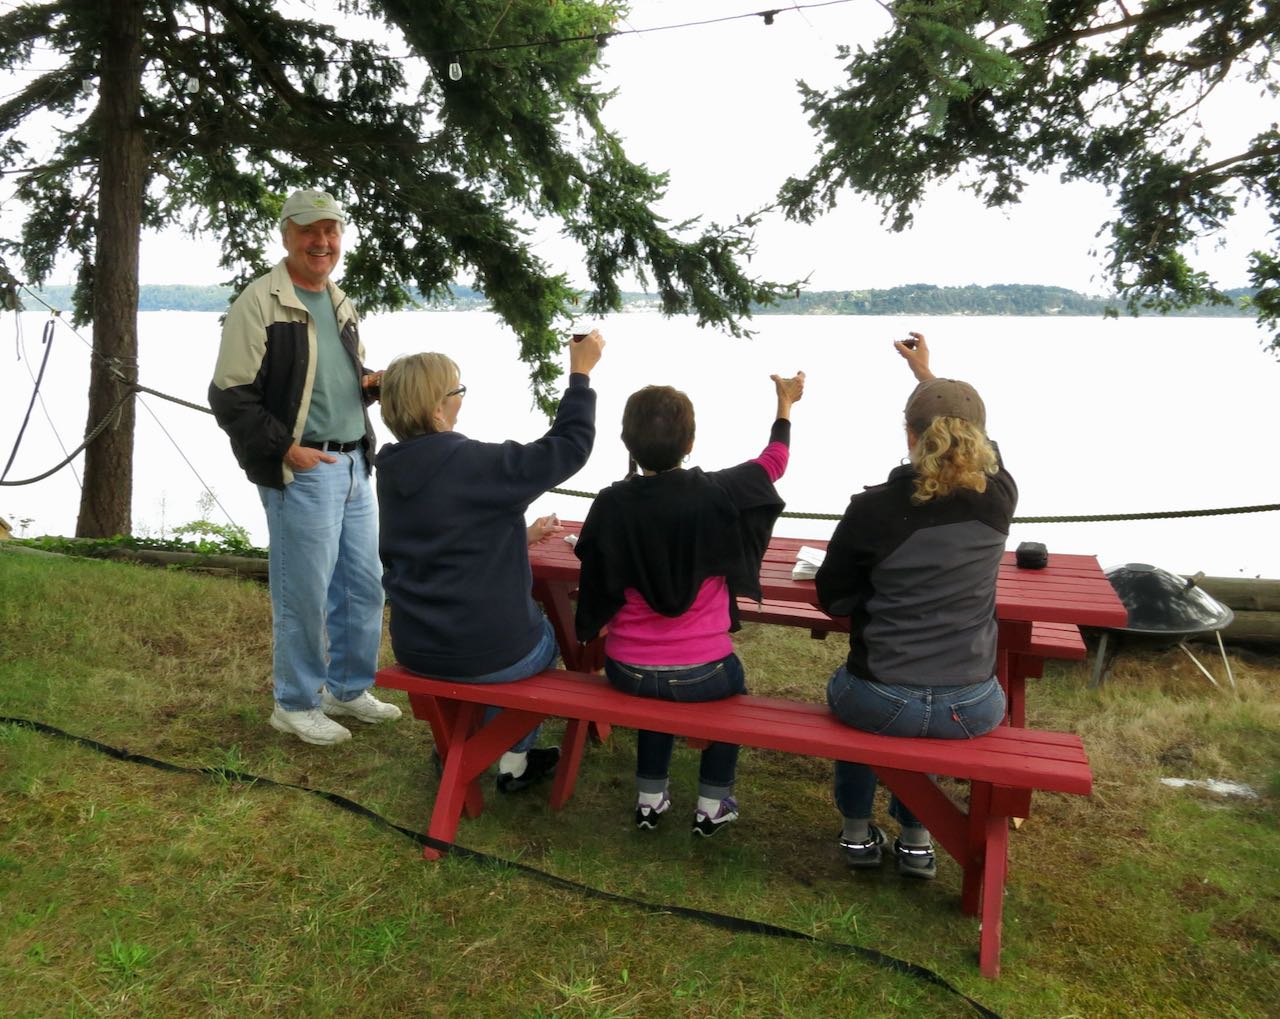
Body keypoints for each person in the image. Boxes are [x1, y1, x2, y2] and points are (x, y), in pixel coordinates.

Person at [815, 333, 1015, 878]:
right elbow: (988, 453)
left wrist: (873, 597)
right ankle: (917, 835)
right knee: (921, 716)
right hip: (969, 705)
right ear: (978, 439)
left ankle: (857, 833)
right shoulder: (1000, 501)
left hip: (879, 698)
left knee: (856, 705)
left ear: (908, 435)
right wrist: (930, 378)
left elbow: (832, 598)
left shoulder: (872, 509)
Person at [574, 371, 805, 836]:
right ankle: (712, 804)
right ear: (691, 441)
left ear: (627, 443)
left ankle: (650, 799)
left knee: (655, 690)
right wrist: (785, 408)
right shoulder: (719, 492)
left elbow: (595, 572)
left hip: (625, 668)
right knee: (731, 695)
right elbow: (773, 462)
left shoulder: (611, 503)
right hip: (706, 673)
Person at [209, 188, 400, 747]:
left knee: (364, 587)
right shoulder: (259, 302)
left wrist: (367, 382)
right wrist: (285, 450)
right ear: (287, 235)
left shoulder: (339, 300)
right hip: (305, 467)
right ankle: (294, 703)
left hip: (354, 463)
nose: (322, 242)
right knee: (305, 594)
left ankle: (347, 688)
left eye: (331, 231)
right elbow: (230, 394)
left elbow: (320, 377)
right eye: (310, 232)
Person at [376, 334, 604, 792]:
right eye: (457, 391)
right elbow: (570, 445)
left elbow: (448, 535)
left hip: (416, 646)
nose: (462, 399)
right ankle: (513, 762)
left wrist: (520, 534)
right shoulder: (476, 463)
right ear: (437, 410)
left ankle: (460, 743)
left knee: (507, 636)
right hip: (486, 651)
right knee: (547, 634)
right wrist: (580, 374)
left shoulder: (390, 469)